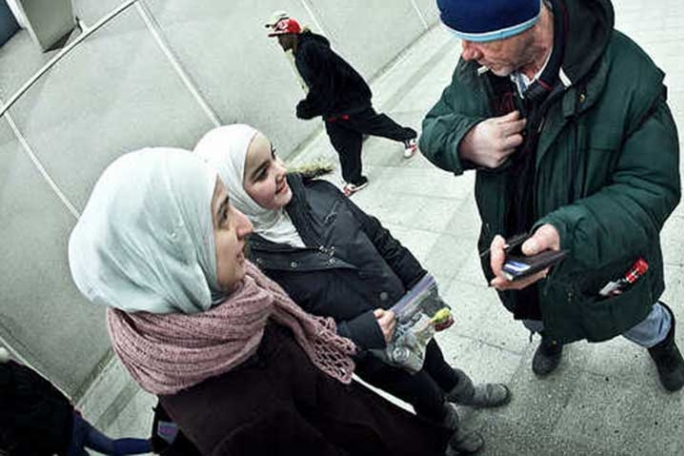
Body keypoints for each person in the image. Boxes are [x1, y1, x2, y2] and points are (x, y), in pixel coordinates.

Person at [419, 0, 684, 393]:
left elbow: (650, 191)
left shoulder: (629, 79)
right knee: (538, 316)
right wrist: (467, 140)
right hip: (518, 259)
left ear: (523, 24)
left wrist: (566, 233)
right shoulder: (482, 68)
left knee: (634, 318)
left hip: (600, 259)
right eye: (461, 38)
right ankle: (551, 334)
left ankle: (661, 340)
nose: (465, 53)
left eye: (478, 38)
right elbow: (432, 127)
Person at [68, 148, 449, 456]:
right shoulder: (237, 424)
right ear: (169, 258)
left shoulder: (226, 302)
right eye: (221, 216)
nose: (244, 226)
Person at [194, 124, 512, 454]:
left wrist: (424, 292)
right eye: (261, 174)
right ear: (233, 196)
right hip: (371, 354)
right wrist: (358, 333)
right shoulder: (254, 270)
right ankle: (445, 425)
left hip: (408, 311)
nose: (281, 171)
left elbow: (380, 239)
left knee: (435, 361)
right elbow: (299, 337)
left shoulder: (318, 193)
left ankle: (459, 388)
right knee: (422, 393)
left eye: (274, 156)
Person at [266, 12, 418, 197]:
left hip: (349, 100)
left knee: (373, 125)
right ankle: (355, 180)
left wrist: (308, 107)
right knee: (342, 141)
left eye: (280, 36)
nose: (279, 42)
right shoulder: (301, 52)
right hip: (335, 106)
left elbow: (325, 82)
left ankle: (408, 137)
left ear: (291, 34)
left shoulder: (311, 50)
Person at [0, 347, 151, 456]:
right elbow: (48, 387)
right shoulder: (14, 369)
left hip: (61, 443)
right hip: (70, 420)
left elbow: (17, 441)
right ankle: (161, 443)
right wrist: (68, 407)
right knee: (113, 446)